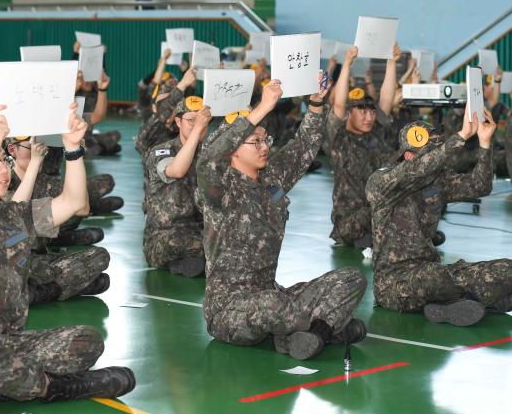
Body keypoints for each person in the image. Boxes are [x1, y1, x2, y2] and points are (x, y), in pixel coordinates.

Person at [0, 104, 134, 413]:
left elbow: (74, 202)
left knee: (86, 341)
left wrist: (73, 149)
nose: (3, 169)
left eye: (3, 161)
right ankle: (58, 388)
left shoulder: (15, 216)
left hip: (6, 343)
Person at [196, 76, 367, 360]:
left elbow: (304, 148)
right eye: (256, 141)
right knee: (271, 305)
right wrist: (261, 108)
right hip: (230, 310)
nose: (265, 147)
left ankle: (314, 334)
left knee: (351, 278)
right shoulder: (219, 189)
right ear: (233, 151)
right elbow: (208, 160)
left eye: (266, 140)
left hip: (272, 293)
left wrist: (315, 104)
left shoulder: (271, 181)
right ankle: (327, 328)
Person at [366, 107, 512, 326]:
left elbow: (479, 186)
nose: (436, 160)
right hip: (393, 284)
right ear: (409, 156)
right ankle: (466, 300)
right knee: (437, 279)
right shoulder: (382, 182)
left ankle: (450, 304)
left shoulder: (437, 180)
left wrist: (484, 144)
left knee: (506, 269)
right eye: (431, 154)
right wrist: (461, 136)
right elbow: (416, 170)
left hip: (432, 270)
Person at [5, 136, 111, 304]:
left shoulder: (45, 181)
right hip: (9, 263)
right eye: (31, 148)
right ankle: (48, 291)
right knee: (95, 281)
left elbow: (83, 208)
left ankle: (41, 290)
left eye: (41, 148)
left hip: (37, 258)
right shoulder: (4, 181)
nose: (39, 153)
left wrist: (76, 155)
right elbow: (13, 215)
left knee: (100, 259)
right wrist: (34, 164)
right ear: (12, 150)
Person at [325, 44, 400, 248]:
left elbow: (385, 98)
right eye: (362, 112)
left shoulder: (376, 131)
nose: (369, 117)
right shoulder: (339, 138)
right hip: (349, 222)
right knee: (382, 210)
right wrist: (347, 64)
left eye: (371, 112)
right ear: (350, 113)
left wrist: (391, 62)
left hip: (378, 211)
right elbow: (339, 105)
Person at [143, 98, 211, 277]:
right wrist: (198, 129)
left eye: (202, 119)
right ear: (178, 122)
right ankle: (197, 262)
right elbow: (177, 170)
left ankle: (195, 263)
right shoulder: (161, 151)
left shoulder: (209, 153)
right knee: (191, 243)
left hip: (199, 231)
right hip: (164, 237)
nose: (198, 125)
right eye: (191, 120)